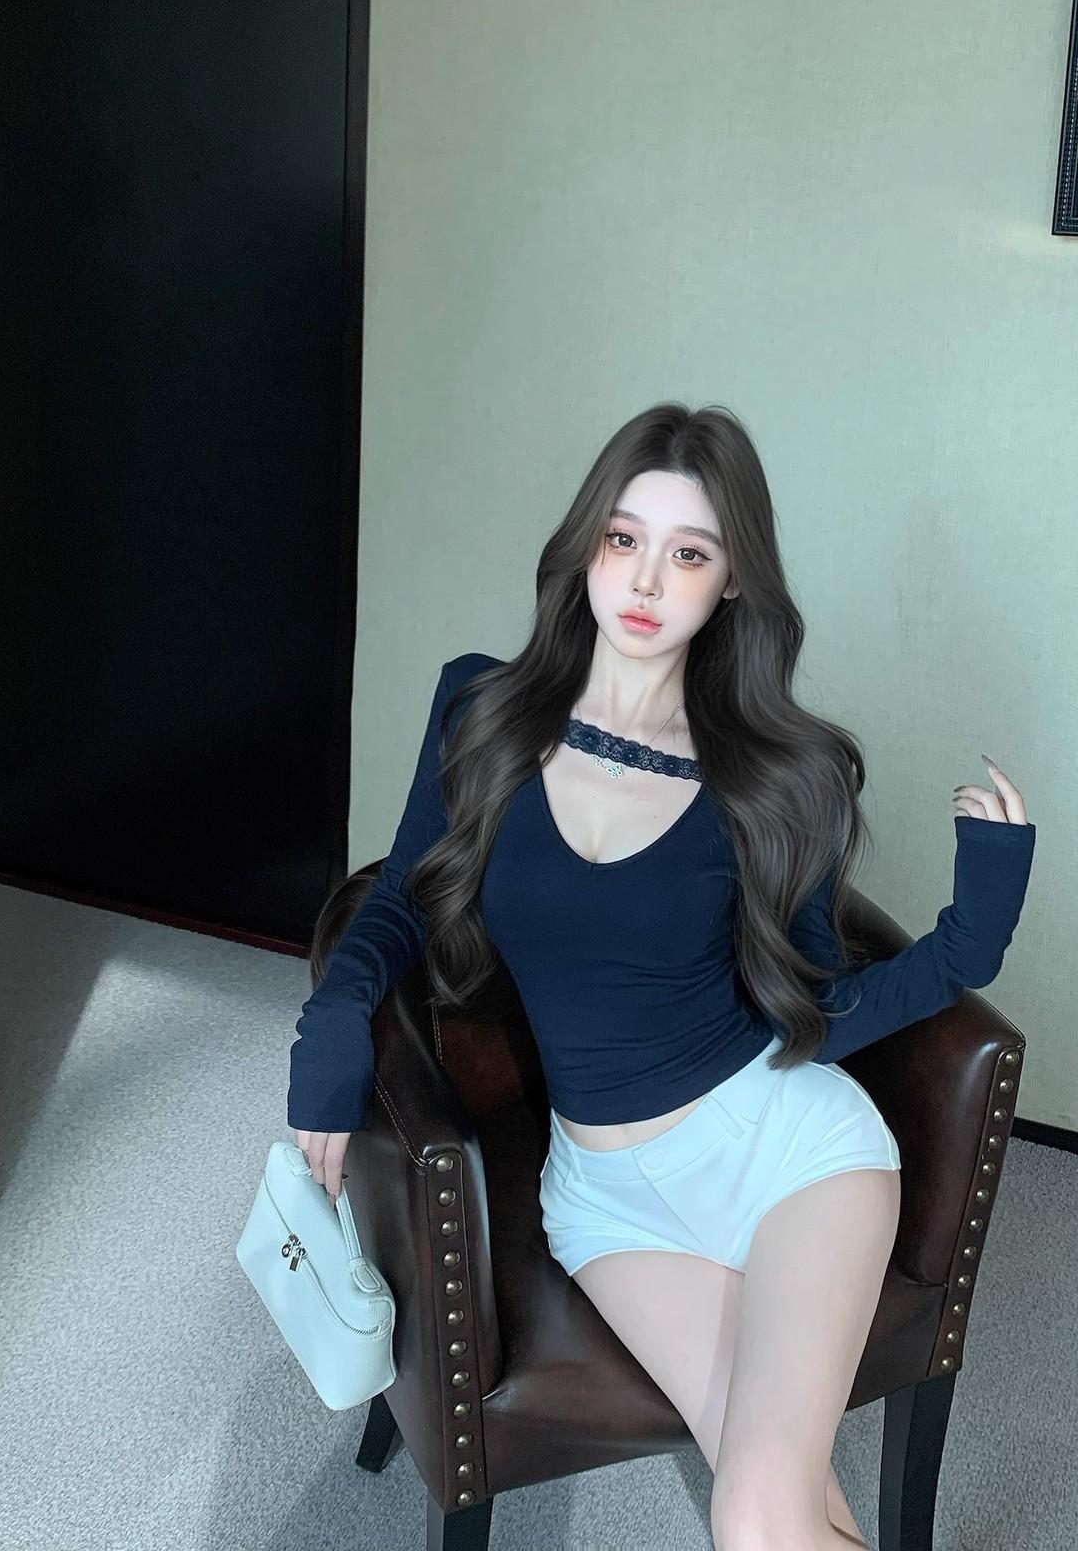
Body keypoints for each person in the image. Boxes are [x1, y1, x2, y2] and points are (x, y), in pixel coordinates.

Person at [287, 400, 1036, 1551]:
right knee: (783, 1509)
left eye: (690, 554)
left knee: (756, 1514)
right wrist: (336, 1017)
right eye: (623, 538)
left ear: (732, 583)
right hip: (609, 1204)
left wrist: (967, 944)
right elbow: (401, 899)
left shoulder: (778, 777)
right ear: (586, 542)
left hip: (785, 1153)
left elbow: (815, 1014)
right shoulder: (480, 711)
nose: (645, 580)